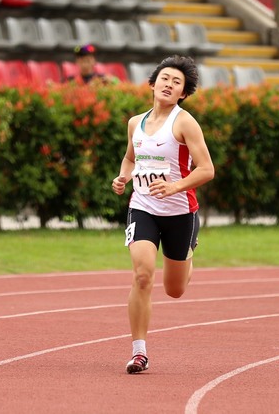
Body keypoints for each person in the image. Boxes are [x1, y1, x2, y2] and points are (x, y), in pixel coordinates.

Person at [111, 55, 215, 374]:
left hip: (180, 212)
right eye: (165, 78)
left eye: (176, 82)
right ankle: (139, 352)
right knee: (142, 275)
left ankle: (187, 252)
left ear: (183, 93)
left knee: (174, 289)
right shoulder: (135, 123)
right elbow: (130, 159)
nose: (169, 85)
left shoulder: (184, 123)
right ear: (153, 83)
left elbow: (207, 169)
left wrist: (174, 187)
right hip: (143, 207)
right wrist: (123, 177)